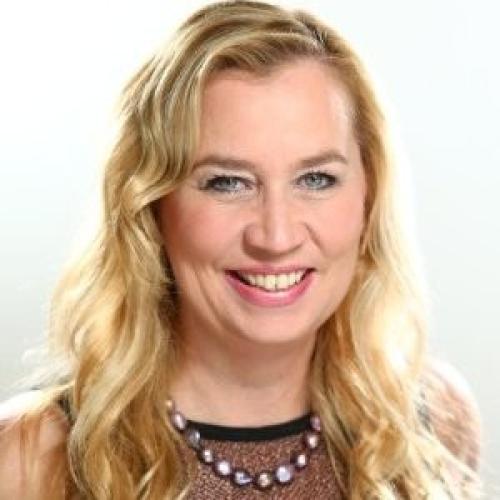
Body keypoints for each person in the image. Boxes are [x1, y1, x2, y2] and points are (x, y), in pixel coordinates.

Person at [0, 1, 482, 498]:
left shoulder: (431, 423)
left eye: (316, 179)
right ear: (151, 206)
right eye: (227, 182)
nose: (276, 237)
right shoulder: (27, 458)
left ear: (369, 194)